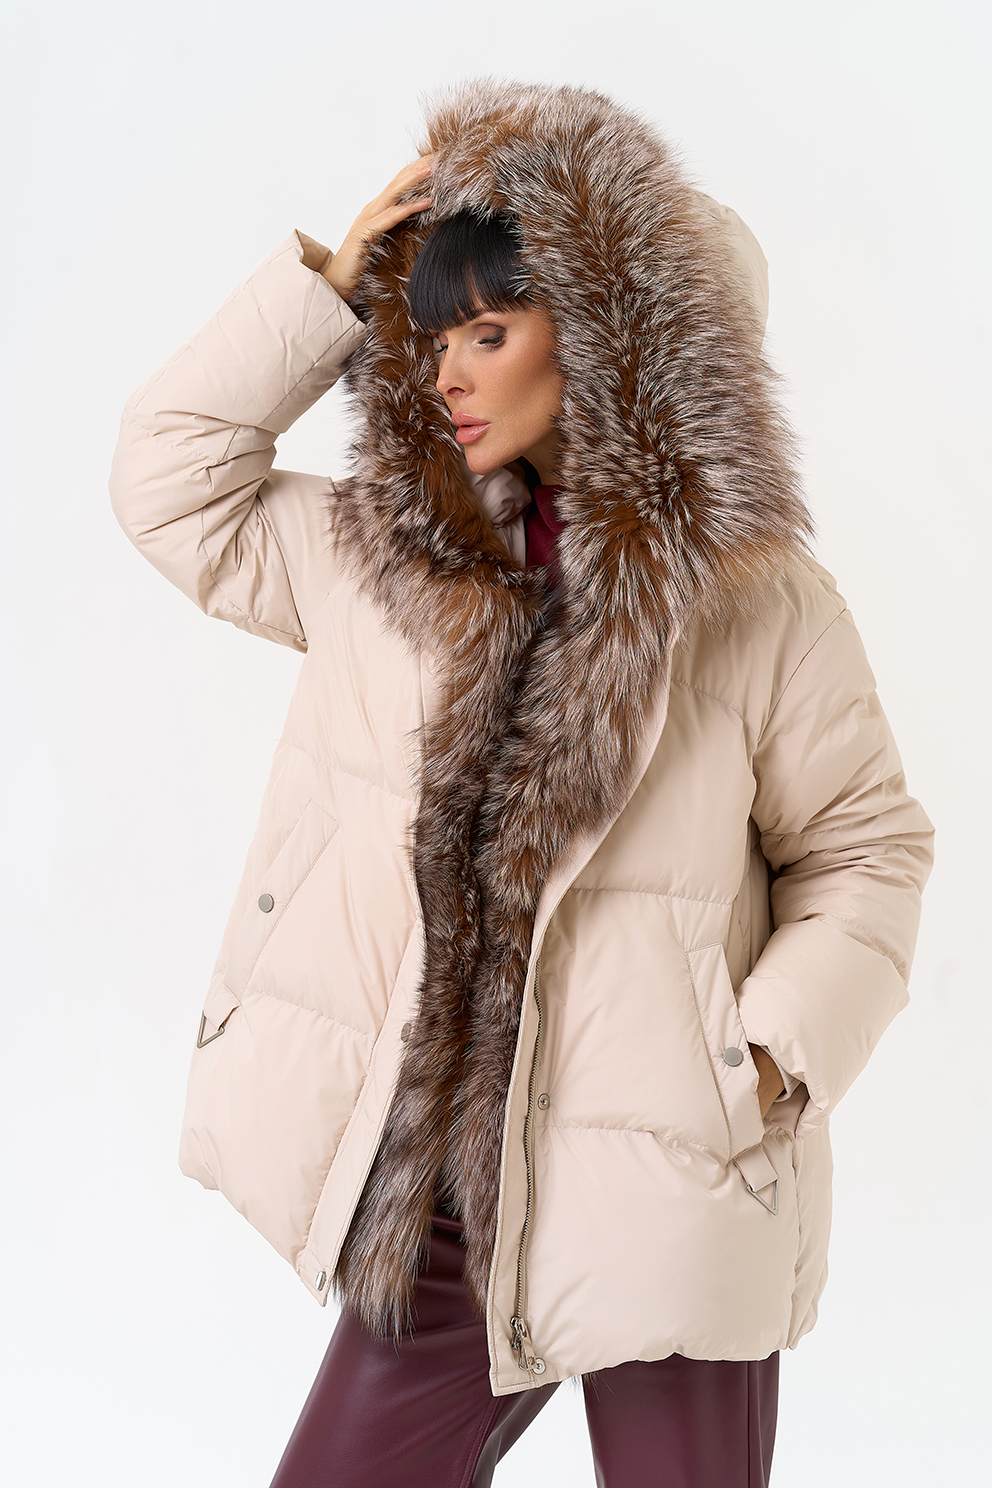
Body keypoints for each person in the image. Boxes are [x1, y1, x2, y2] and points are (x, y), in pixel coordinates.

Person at [109, 79, 934, 1488]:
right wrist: (329, 289)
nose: (447, 372)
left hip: (669, 1189)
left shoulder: (761, 605)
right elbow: (169, 480)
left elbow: (867, 852)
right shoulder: (379, 563)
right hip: (443, 1213)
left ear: (612, 337)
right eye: (433, 335)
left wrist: (763, 1064)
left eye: (488, 333)